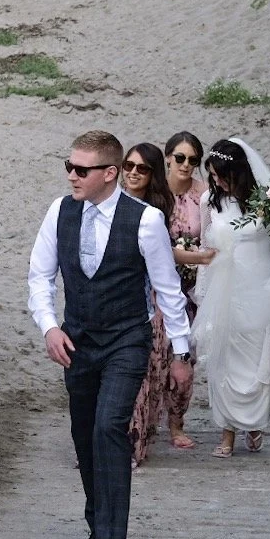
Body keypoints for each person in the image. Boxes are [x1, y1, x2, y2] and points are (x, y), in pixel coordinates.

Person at [28, 129, 192, 539]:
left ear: (109, 173)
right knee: (84, 435)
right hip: (76, 341)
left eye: (81, 170)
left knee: (109, 428)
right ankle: (97, 527)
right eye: (68, 166)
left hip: (126, 339)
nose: (71, 176)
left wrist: (181, 354)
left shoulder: (144, 221)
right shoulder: (59, 212)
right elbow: (39, 278)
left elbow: (167, 289)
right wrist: (49, 328)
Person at [194, 138, 270, 458]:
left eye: (221, 175)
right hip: (226, 290)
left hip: (261, 289)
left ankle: (255, 423)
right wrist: (203, 292)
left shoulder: (268, 204)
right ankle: (227, 434)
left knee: (257, 363)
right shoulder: (209, 202)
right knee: (225, 360)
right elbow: (206, 247)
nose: (215, 181)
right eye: (212, 175)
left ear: (238, 173)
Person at [121, 142, 177, 467]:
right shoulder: (108, 203)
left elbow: (162, 258)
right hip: (119, 298)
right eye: (129, 165)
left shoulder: (156, 211)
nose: (133, 173)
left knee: (144, 378)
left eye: (142, 168)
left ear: (152, 173)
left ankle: (133, 445)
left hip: (151, 301)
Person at [163, 131, 215, 449]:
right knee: (154, 356)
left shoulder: (205, 195)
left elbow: (214, 235)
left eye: (193, 160)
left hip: (191, 288)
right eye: (180, 158)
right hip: (156, 285)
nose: (186, 165)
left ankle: (176, 424)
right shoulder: (154, 192)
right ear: (167, 157)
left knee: (185, 360)